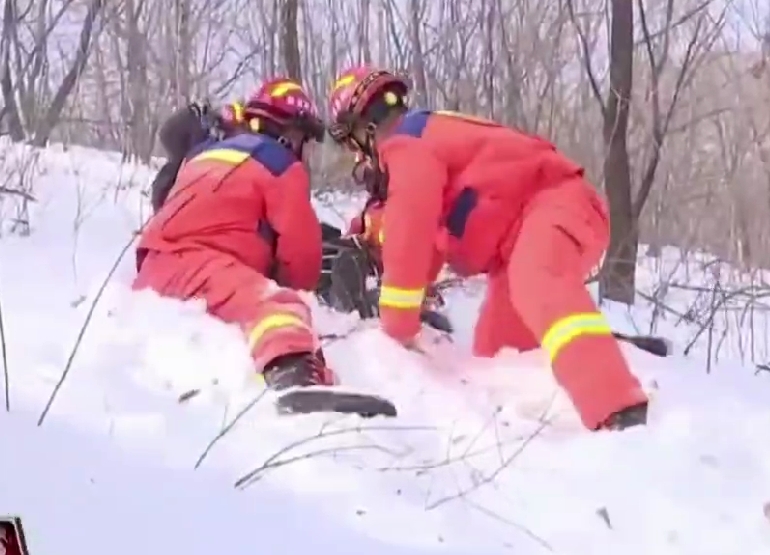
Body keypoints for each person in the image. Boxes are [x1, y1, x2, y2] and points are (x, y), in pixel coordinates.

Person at [324, 66, 649, 432]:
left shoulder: (406, 145)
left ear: (364, 126)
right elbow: (421, 248)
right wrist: (411, 302)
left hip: (556, 206)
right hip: (517, 244)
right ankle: (605, 359)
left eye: (350, 142)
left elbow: (409, 228)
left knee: (538, 281)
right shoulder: (428, 145)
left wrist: (397, 324)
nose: (355, 156)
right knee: (498, 360)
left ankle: (619, 408)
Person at [134, 77, 337, 391]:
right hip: (201, 270)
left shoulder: (200, 156)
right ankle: (295, 375)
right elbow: (302, 254)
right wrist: (294, 287)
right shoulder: (279, 163)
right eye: (303, 140)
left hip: (152, 269)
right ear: (288, 134)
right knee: (278, 306)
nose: (304, 151)